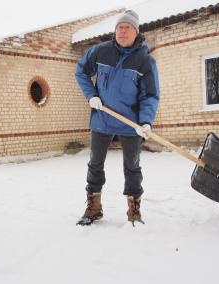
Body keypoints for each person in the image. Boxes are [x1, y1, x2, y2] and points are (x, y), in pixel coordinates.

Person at [75, 10, 160, 226]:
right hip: (102, 118)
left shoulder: (145, 60)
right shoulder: (101, 51)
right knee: (95, 163)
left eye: (127, 27)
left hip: (130, 123)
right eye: (119, 27)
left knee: (132, 166)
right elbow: (81, 71)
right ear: (115, 31)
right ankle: (94, 207)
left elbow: (150, 95)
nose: (122, 31)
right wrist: (91, 95)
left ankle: (134, 210)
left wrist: (146, 121)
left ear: (136, 31)